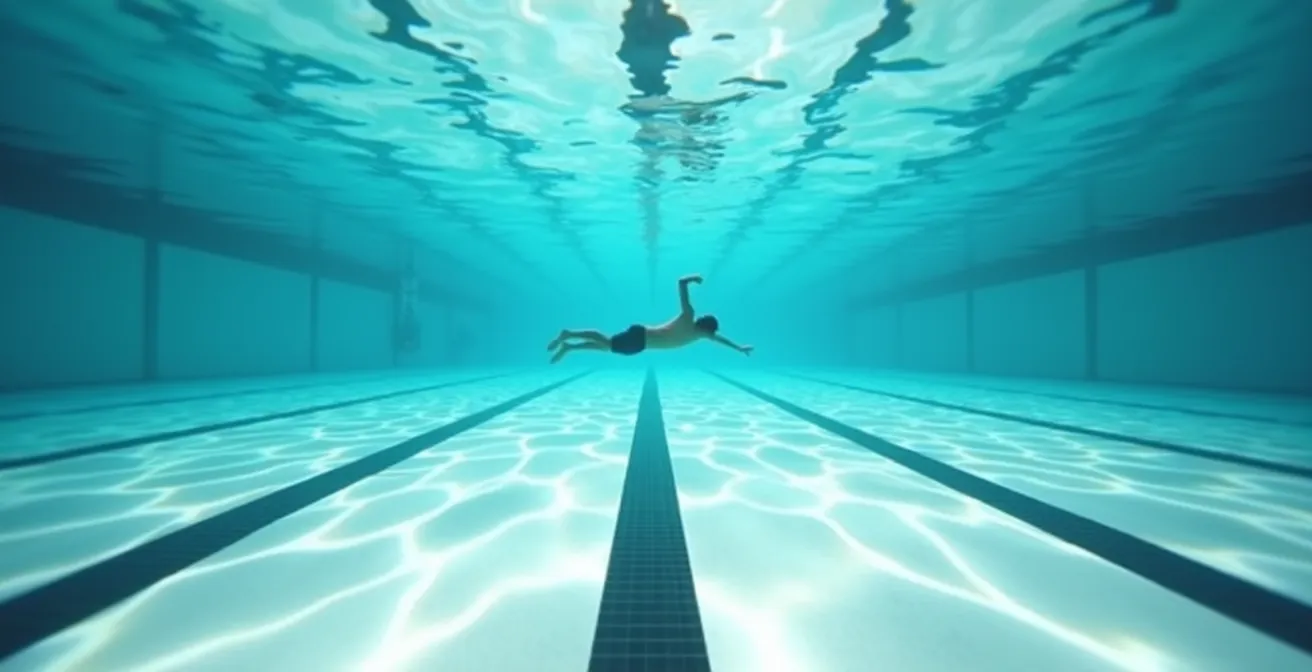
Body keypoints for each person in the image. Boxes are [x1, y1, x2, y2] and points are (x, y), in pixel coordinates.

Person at [547, 274, 753, 363]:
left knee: (606, 347)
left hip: (641, 345)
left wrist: (739, 348)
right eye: (710, 332)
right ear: (705, 327)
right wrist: (692, 279)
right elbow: (680, 283)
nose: (711, 336)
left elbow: (721, 340)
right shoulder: (688, 317)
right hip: (640, 336)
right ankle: (568, 335)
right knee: (607, 343)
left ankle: (569, 348)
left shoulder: (700, 336)